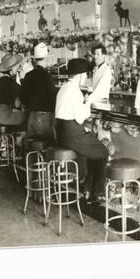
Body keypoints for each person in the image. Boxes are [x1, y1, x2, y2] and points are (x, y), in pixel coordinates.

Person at [55, 58, 109, 202]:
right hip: (72, 134)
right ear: (79, 75)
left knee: (93, 152)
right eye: (85, 75)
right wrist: (88, 102)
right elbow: (80, 118)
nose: (86, 78)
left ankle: (87, 189)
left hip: (60, 133)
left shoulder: (63, 88)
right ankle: (98, 193)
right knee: (103, 152)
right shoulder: (75, 91)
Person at [20, 42, 57, 142]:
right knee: (49, 146)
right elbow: (53, 99)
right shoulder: (47, 77)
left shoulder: (28, 76)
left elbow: (23, 99)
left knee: (32, 147)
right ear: (46, 58)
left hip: (31, 118)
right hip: (45, 120)